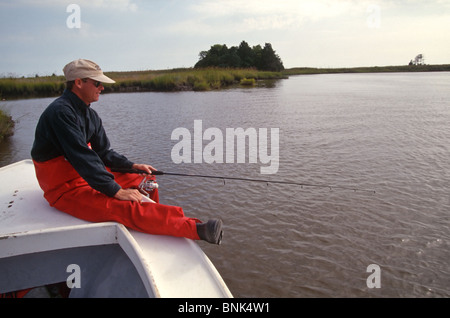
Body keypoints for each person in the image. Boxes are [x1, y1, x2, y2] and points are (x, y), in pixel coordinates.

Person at [30, 59, 223, 244]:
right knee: (123, 206)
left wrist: (132, 167)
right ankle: (195, 229)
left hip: (84, 175)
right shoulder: (60, 113)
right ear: (79, 82)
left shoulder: (91, 115)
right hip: (65, 187)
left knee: (146, 179)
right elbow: (82, 157)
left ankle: (153, 220)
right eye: (97, 83)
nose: (102, 88)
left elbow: (103, 153)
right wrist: (116, 191)